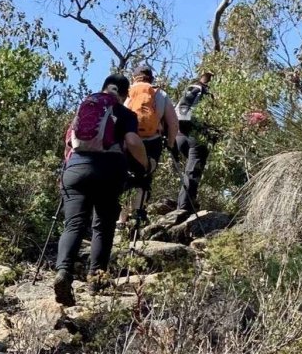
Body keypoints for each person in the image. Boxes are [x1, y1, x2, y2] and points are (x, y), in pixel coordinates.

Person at [52, 74, 149, 306]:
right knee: (103, 225)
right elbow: (133, 142)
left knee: (73, 223)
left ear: (103, 88)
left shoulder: (83, 109)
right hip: (108, 170)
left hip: (75, 168)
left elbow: (68, 143)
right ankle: (97, 279)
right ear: (125, 95)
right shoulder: (124, 113)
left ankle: (63, 271)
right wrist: (145, 165)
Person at [123, 64, 179, 224]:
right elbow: (173, 124)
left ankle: (121, 220)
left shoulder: (127, 93)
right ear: (151, 78)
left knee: (126, 178)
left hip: (129, 140)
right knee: (144, 177)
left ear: (134, 77)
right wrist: (169, 142)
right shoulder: (160, 93)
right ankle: (138, 215)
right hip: (152, 141)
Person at [172, 71, 213, 215]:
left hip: (180, 135)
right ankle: (184, 208)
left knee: (190, 171)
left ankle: (186, 203)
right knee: (192, 171)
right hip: (195, 134)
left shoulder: (193, 88)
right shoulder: (200, 89)